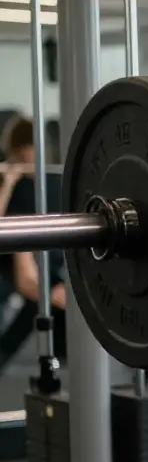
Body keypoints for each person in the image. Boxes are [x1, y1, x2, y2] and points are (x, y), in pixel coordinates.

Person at [0, 115, 67, 314]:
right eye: (28, 149)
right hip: (14, 279)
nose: (33, 155)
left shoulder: (50, 184)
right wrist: (8, 183)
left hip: (49, 271)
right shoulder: (12, 185)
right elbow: (25, 277)